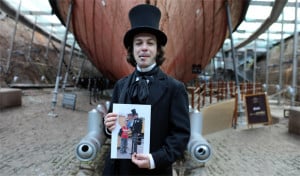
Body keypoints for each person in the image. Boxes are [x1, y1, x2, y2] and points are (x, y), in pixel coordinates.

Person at [102, 4, 190, 175]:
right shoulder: (121, 85)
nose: (144, 48)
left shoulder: (175, 88)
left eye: (150, 43)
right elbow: (111, 128)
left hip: (154, 171)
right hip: (119, 170)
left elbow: (181, 136)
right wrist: (107, 125)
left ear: (157, 50)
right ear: (132, 50)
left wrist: (154, 159)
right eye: (138, 43)